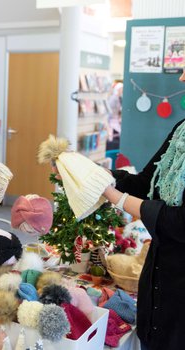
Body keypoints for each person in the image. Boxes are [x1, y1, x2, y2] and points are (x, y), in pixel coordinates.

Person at [102, 72, 185, 350]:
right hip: (158, 281)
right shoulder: (181, 131)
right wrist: (103, 177)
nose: (182, 78)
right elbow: (146, 181)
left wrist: (117, 198)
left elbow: (179, 222)